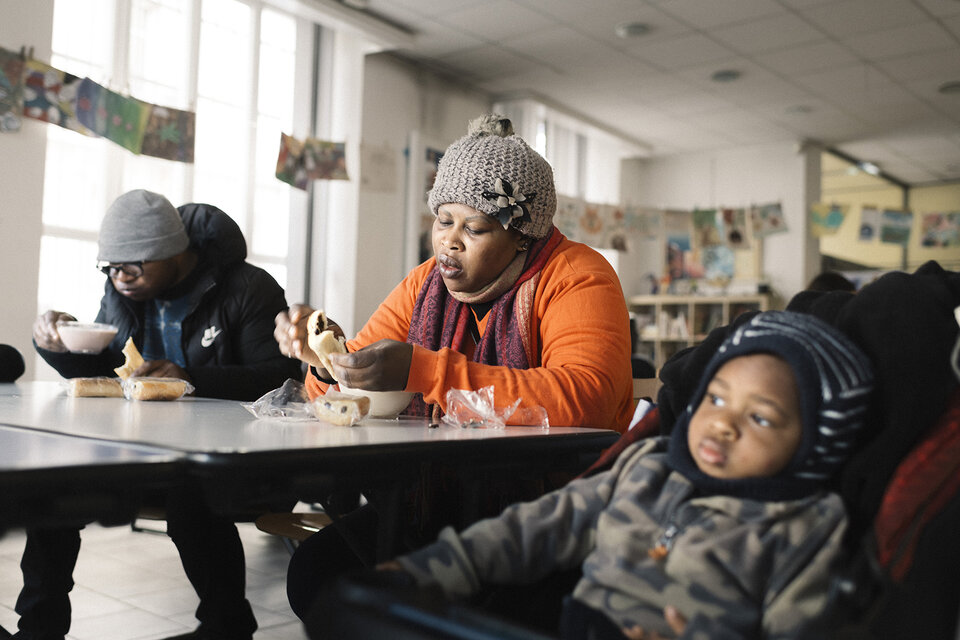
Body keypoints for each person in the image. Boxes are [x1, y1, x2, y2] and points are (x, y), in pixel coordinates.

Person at [275, 114, 635, 617]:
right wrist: (323, 360)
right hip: (433, 501)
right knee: (316, 576)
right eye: (444, 220)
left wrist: (425, 371)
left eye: (476, 227)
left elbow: (585, 401)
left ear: (523, 237)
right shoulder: (425, 284)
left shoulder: (577, 276)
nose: (450, 241)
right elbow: (348, 388)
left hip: (556, 514)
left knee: (478, 609)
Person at [371, 310, 875, 639]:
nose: (722, 424)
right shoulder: (646, 466)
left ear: (814, 444)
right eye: (717, 399)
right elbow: (535, 528)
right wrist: (427, 571)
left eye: (760, 417)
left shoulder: (803, 526)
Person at [22, 189, 303, 640]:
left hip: (228, 454)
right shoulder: (122, 292)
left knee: (191, 496)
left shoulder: (247, 288)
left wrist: (188, 378)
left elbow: (281, 379)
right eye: (110, 267)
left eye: (133, 265)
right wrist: (57, 346)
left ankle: (226, 625)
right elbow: (106, 374)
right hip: (140, 448)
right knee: (58, 481)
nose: (120, 278)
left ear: (173, 251)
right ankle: (39, 628)